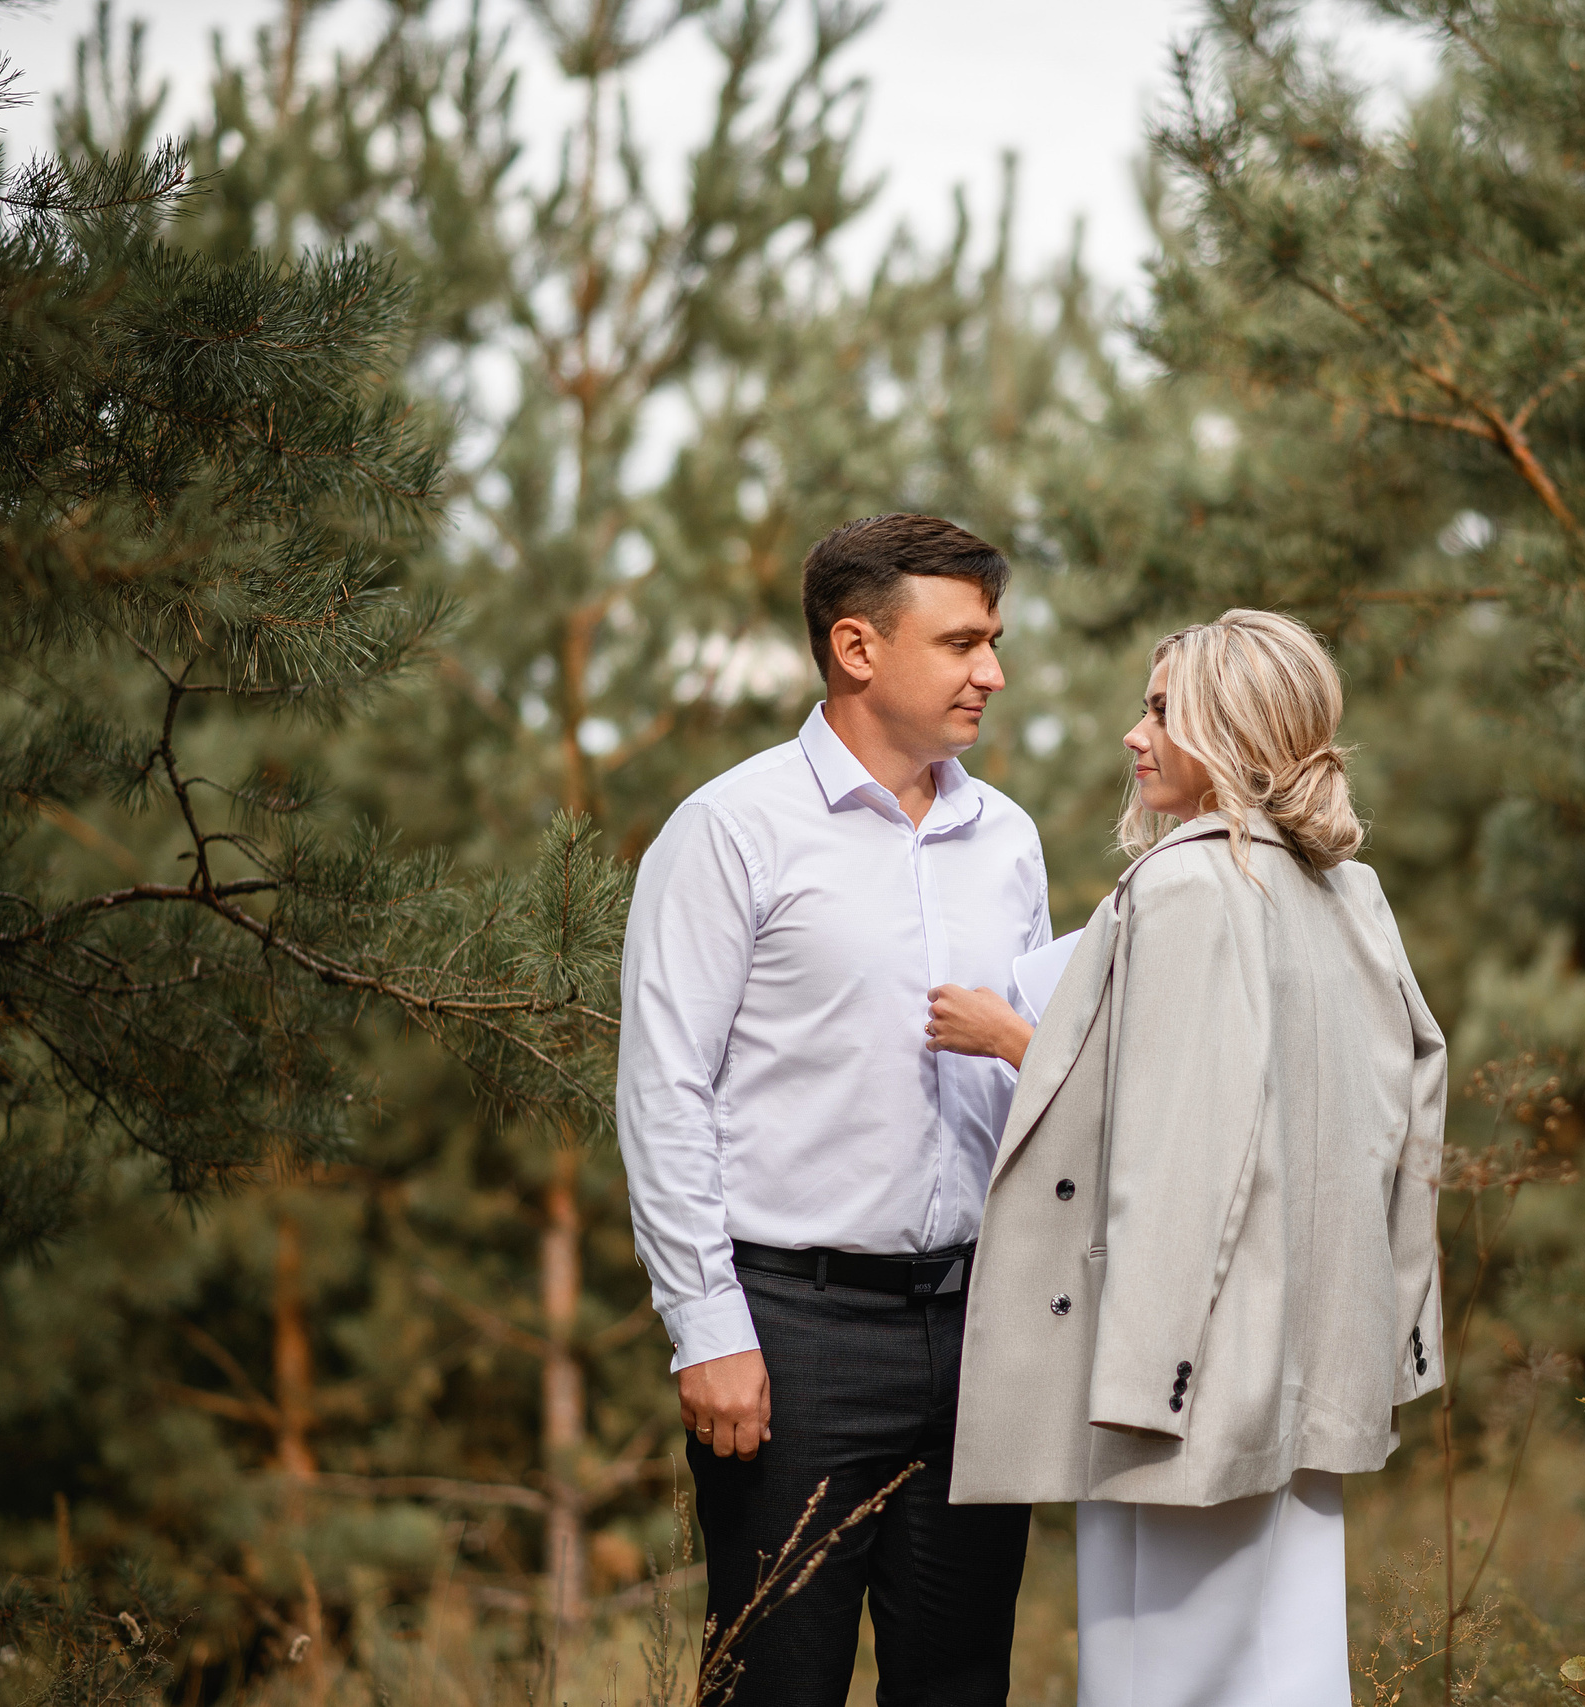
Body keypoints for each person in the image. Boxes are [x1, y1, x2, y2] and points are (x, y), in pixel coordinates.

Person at [927, 609, 1448, 1707]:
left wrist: (1138, 1381)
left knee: (1164, 1678)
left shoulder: (1186, 884)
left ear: (1231, 724)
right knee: (1287, 1672)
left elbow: (1180, 1152)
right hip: (1303, 1361)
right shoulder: (1347, 891)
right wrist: (1395, 1330)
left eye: (1161, 709)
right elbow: (1403, 1120)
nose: (1134, 734)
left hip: (1185, 1383)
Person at [615, 514, 1048, 1706]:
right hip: (791, 1343)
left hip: (977, 1331)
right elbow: (664, 1090)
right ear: (856, 648)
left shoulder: (1007, 841)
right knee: (775, 1686)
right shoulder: (728, 831)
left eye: (993, 641)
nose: (992, 673)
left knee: (960, 1686)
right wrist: (707, 1326)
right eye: (962, 643)